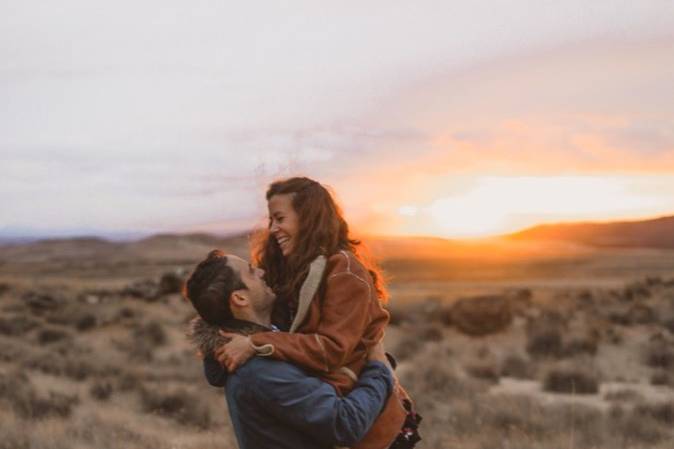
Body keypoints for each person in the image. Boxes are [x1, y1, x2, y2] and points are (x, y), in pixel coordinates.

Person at [215, 177, 421, 449]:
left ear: (308, 218)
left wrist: (255, 344)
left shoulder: (344, 271)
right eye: (271, 221)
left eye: (280, 218)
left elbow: (331, 349)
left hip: (373, 430)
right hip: (326, 415)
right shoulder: (292, 272)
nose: (273, 229)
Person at [185, 250, 396, 449]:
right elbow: (345, 423)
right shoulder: (261, 369)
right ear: (240, 298)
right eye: (251, 271)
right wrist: (379, 369)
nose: (262, 272)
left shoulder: (267, 347)